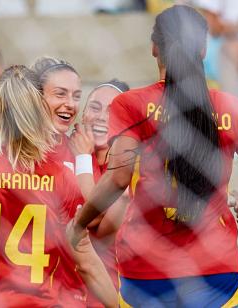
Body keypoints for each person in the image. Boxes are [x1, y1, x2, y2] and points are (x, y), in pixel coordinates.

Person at [68, 5, 238, 307]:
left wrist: (79, 223)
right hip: (215, 272)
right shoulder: (232, 108)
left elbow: (117, 179)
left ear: (155, 47)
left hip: (146, 270)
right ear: (204, 48)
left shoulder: (132, 104)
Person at [0, 65, 116, 308]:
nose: (70, 103)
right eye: (61, 94)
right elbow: (86, 260)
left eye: (76, 95)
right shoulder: (62, 175)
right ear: (39, 111)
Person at [74, 79, 130, 308]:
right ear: (83, 112)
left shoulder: (129, 166)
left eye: (113, 111)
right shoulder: (58, 150)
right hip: (58, 292)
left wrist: (82, 158)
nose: (101, 117)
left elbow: (91, 216)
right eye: (95, 107)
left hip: (110, 292)